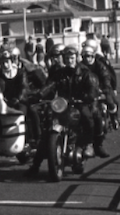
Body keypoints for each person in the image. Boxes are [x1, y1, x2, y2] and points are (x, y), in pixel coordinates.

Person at [25, 44, 103, 177]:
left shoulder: (84, 73)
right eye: (66, 57)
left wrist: (88, 96)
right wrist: (39, 94)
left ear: (76, 57)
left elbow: (92, 88)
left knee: (87, 117)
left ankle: (88, 144)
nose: (69, 60)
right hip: (63, 104)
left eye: (71, 57)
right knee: (47, 133)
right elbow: (50, 86)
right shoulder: (59, 74)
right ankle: (35, 166)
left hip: (79, 103)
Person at [0, 50, 38, 149]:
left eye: (7, 61)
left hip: (20, 101)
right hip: (4, 101)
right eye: (2, 62)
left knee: (21, 116)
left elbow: (24, 87)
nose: (5, 65)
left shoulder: (20, 72)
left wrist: (18, 98)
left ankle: (27, 140)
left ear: (11, 61)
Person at [81, 40, 117, 139]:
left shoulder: (100, 64)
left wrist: (107, 87)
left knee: (110, 101)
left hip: (101, 87)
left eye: (89, 56)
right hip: (89, 89)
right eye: (84, 56)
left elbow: (107, 76)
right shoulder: (80, 66)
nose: (87, 59)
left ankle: (114, 119)